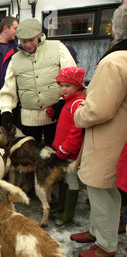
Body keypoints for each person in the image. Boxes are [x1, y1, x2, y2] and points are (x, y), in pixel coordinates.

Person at [70, 3, 127, 257]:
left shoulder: (115, 61)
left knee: (101, 190)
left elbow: (98, 110)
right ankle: (97, 230)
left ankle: (105, 243)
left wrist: (78, 111)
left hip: (107, 139)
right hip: (117, 137)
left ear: (115, 30)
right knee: (102, 191)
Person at [0, 18, 76, 146]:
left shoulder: (57, 48)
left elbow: (71, 76)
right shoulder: (15, 60)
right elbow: (8, 87)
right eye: (24, 41)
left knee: (54, 153)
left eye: (31, 40)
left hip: (55, 115)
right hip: (29, 120)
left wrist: (64, 100)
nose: (28, 45)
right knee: (30, 157)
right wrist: (6, 110)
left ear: (39, 35)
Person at [46, 67, 86, 225]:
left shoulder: (78, 104)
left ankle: (68, 213)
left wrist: (64, 150)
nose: (63, 89)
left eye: (67, 86)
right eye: (61, 85)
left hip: (70, 153)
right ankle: (62, 205)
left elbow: (76, 133)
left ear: (78, 85)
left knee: (71, 180)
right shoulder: (69, 102)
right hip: (63, 151)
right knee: (64, 179)